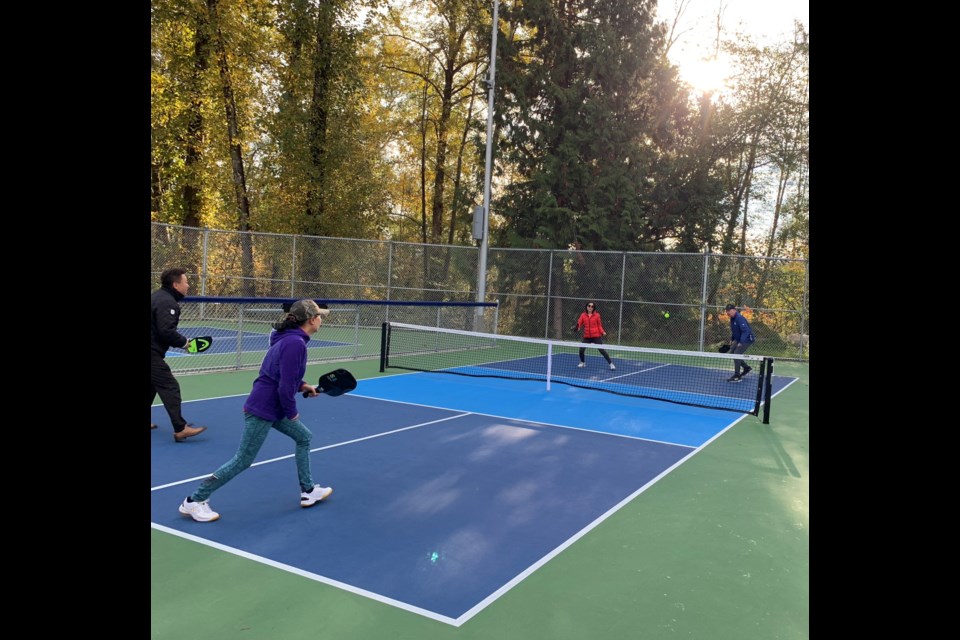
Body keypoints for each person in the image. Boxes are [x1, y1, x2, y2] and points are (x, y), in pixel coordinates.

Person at [179, 299, 334, 522]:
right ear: (311, 319)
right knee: (243, 460)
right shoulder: (295, 344)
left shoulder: (290, 339)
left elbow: (283, 375)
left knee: (304, 437)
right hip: (264, 408)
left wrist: (302, 386)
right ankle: (194, 501)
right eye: (320, 316)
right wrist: (292, 411)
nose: (321, 319)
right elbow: (283, 385)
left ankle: (308, 491)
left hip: (272, 405)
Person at [151, 268, 207, 442]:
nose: (188, 285)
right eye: (185, 282)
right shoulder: (168, 303)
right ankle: (180, 428)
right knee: (170, 386)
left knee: (152, 385)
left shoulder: (157, 297)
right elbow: (166, 331)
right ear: (176, 284)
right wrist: (185, 343)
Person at [573, 301, 616, 370]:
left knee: (602, 350)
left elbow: (599, 325)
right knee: (581, 350)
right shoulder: (583, 315)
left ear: (593, 308)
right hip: (587, 337)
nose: (590, 307)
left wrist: (602, 332)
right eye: (589, 306)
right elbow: (579, 323)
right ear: (587, 307)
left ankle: (611, 364)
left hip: (596, 336)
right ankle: (582, 362)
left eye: (592, 306)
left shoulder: (597, 315)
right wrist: (577, 327)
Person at [724, 303, 756, 382]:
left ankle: (737, 375)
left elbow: (746, 331)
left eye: (729, 310)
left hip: (747, 339)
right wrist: (732, 339)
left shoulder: (739, 318)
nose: (728, 312)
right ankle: (746, 368)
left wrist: (741, 342)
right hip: (739, 339)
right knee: (732, 353)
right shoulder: (732, 318)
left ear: (734, 310)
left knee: (737, 354)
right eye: (727, 311)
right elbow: (735, 330)